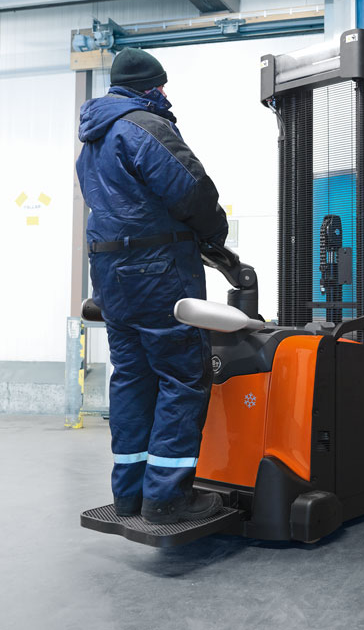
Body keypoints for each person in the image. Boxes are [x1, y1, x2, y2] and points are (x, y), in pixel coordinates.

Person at [76, 47, 227, 524]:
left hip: (110, 276)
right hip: (158, 272)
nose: (164, 92)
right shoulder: (144, 126)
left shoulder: (93, 140)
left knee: (133, 378)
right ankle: (167, 497)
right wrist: (216, 234)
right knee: (182, 376)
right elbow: (191, 189)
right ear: (151, 86)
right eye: (161, 84)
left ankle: (130, 494)